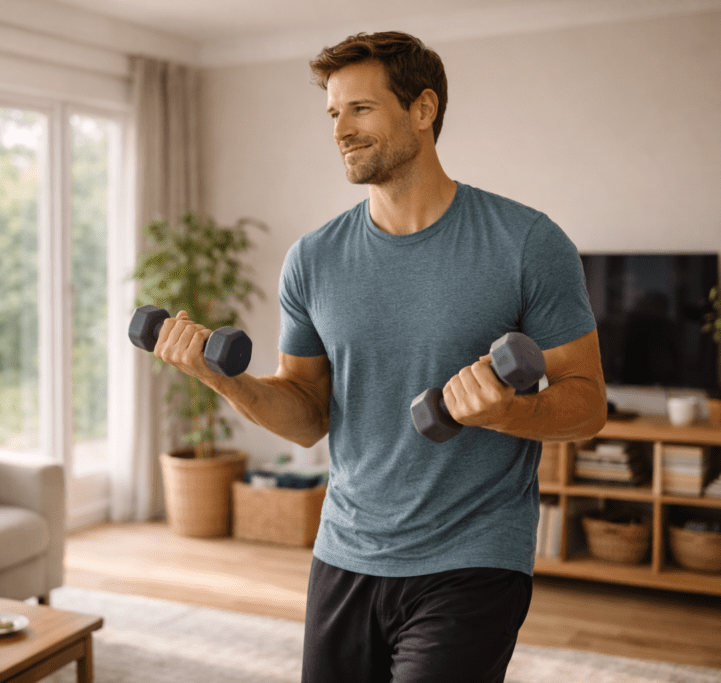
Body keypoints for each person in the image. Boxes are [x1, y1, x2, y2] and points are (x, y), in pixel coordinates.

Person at [152, 31, 607, 683]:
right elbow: (309, 413)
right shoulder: (313, 260)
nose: (341, 129)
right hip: (346, 549)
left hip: (473, 554)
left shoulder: (527, 243)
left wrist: (506, 411)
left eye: (360, 109)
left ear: (423, 110)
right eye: (333, 113)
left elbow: (588, 405)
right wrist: (224, 380)